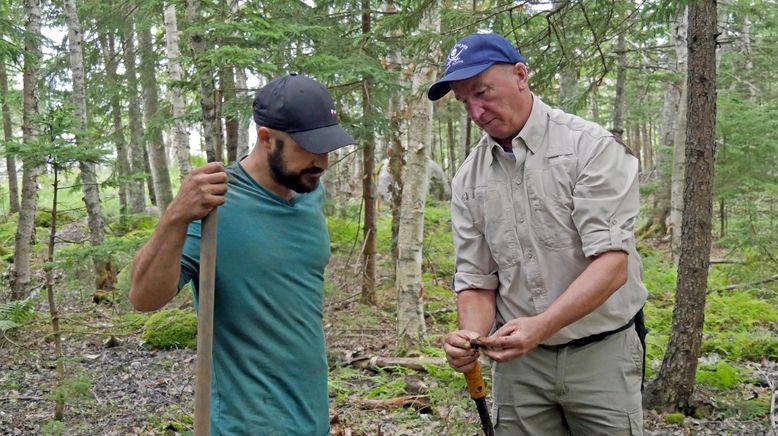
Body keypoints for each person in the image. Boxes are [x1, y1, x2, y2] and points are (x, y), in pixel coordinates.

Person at [429, 33, 648, 435]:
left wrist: (543, 325)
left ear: (520, 75)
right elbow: (477, 280)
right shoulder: (468, 179)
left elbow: (613, 264)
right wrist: (471, 336)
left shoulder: (591, 148)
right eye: (464, 102)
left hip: (601, 354)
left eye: (483, 92)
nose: (477, 111)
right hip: (519, 368)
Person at [129, 73, 355, 435]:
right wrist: (174, 217)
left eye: (326, 147)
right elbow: (143, 297)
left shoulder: (310, 189)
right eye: (308, 147)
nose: (322, 162)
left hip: (311, 416)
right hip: (245, 423)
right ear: (266, 138)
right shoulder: (215, 206)